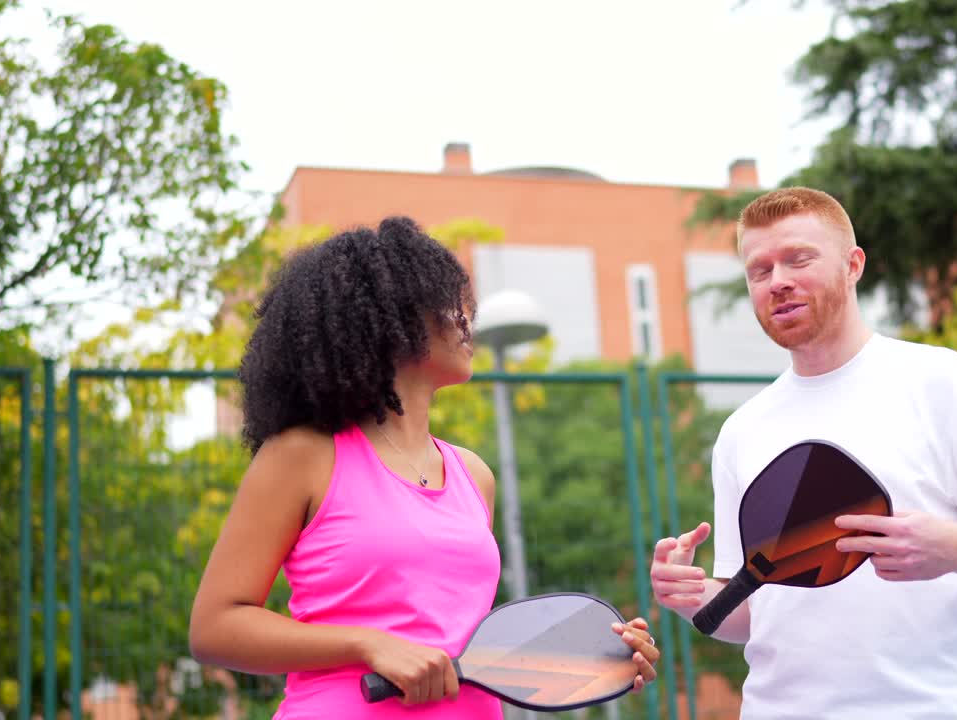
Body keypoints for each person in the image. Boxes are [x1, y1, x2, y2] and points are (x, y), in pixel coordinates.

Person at [189, 217, 659, 719]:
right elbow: (215, 627)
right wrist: (367, 645)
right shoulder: (301, 455)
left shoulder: (473, 475)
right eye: (446, 305)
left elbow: (459, 640)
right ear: (386, 321)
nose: (465, 321)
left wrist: (599, 655)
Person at [650, 188, 957, 718]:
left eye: (799, 258)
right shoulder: (741, 430)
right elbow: (755, 611)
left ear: (853, 265)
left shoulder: (944, 383)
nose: (778, 281)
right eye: (760, 270)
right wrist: (693, 594)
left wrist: (954, 548)